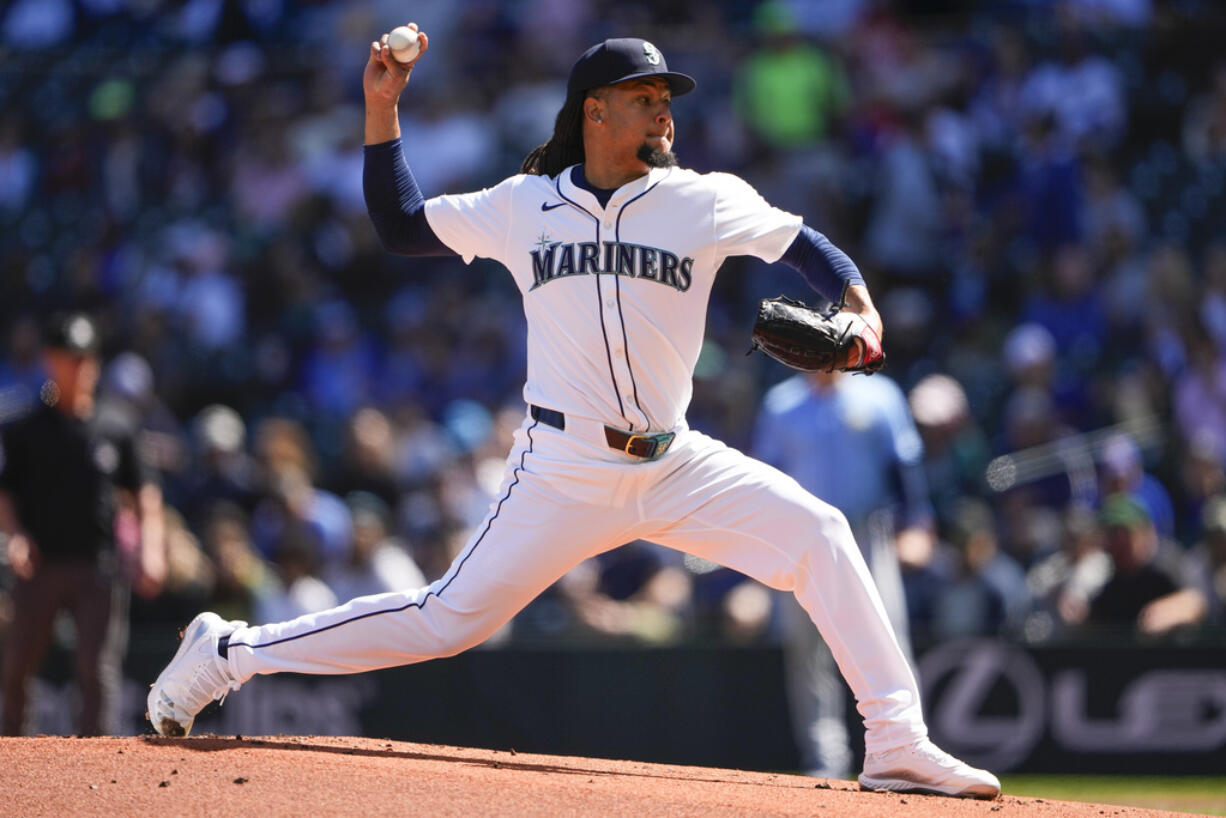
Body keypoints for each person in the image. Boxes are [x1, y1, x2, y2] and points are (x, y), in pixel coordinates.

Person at [146, 29, 1000, 799]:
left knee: (821, 535)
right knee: (446, 621)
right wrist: (382, 108)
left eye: (668, 99)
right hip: (560, 469)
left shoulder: (700, 198)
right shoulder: (524, 205)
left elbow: (806, 245)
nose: (665, 113)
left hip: (674, 464)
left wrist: (859, 303)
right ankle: (228, 654)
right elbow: (402, 225)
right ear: (595, 112)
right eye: (646, 99)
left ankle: (896, 741)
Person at [753, 367, 934, 779]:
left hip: (868, 532)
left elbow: (904, 467)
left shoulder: (879, 394)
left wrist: (919, 525)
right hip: (798, 537)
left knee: (890, 642)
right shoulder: (781, 403)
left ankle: (907, 751)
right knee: (807, 652)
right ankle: (825, 763)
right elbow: (764, 477)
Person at [1, 313, 166, 735]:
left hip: (98, 566)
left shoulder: (117, 425)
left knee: (96, 669)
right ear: (49, 361)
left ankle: (95, 771)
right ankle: (13, 757)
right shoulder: (23, 428)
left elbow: (144, 492)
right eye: (64, 358)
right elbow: (5, 492)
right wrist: (15, 535)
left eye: (82, 358)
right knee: (18, 666)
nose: (75, 367)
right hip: (40, 566)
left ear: (94, 362)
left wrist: (150, 548)